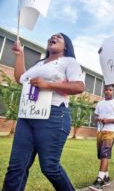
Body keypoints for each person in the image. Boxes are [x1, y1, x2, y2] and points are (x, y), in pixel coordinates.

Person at [3, 33, 85, 191]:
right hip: (27, 117)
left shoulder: (69, 62)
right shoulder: (39, 64)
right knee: (16, 167)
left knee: (50, 167)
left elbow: (79, 87)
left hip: (53, 116)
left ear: (66, 45)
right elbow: (21, 78)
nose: (52, 38)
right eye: (51, 36)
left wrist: (47, 85)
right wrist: (20, 55)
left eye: (58, 37)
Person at [89, 85, 114, 191]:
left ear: (113, 92)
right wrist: (98, 118)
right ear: (104, 91)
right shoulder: (100, 103)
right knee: (102, 155)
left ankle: (99, 180)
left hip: (110, 131)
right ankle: (106, 178)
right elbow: (95, 117)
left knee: (105, 153)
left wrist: (108, 120)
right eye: (106, 90)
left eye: (110, 90)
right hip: (100, 131)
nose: (108, 91)